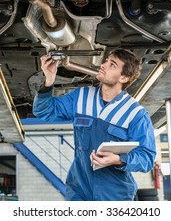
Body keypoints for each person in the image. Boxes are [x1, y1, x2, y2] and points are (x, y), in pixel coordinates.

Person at [33, 48, 156, 201]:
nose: (103, 65)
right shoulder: (81, 97)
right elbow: (44, 112)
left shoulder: (135, 113)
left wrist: (118, 159)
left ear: (124, 77)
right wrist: (49, 80)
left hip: (115, 196)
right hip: (79, 191)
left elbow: (147, 158)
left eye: (112, 65)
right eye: (106, 61)